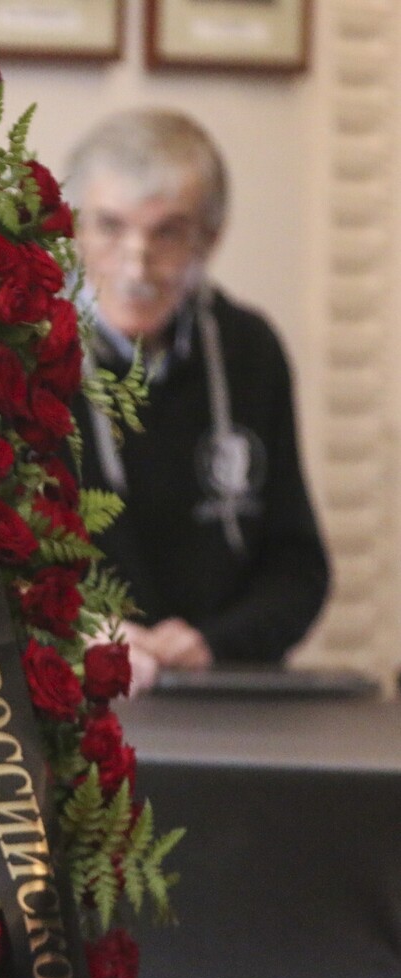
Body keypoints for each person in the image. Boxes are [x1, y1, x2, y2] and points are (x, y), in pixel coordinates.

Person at [67, 108, 330, 691]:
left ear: (210, 238)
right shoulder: (19, 347)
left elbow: (297, 569)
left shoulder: (249, 349)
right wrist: (69, 630)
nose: (136, 262)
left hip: (217, 691)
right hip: (68, 690)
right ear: (75, 229)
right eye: (109, 227)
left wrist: (214, 642)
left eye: (167, 232)